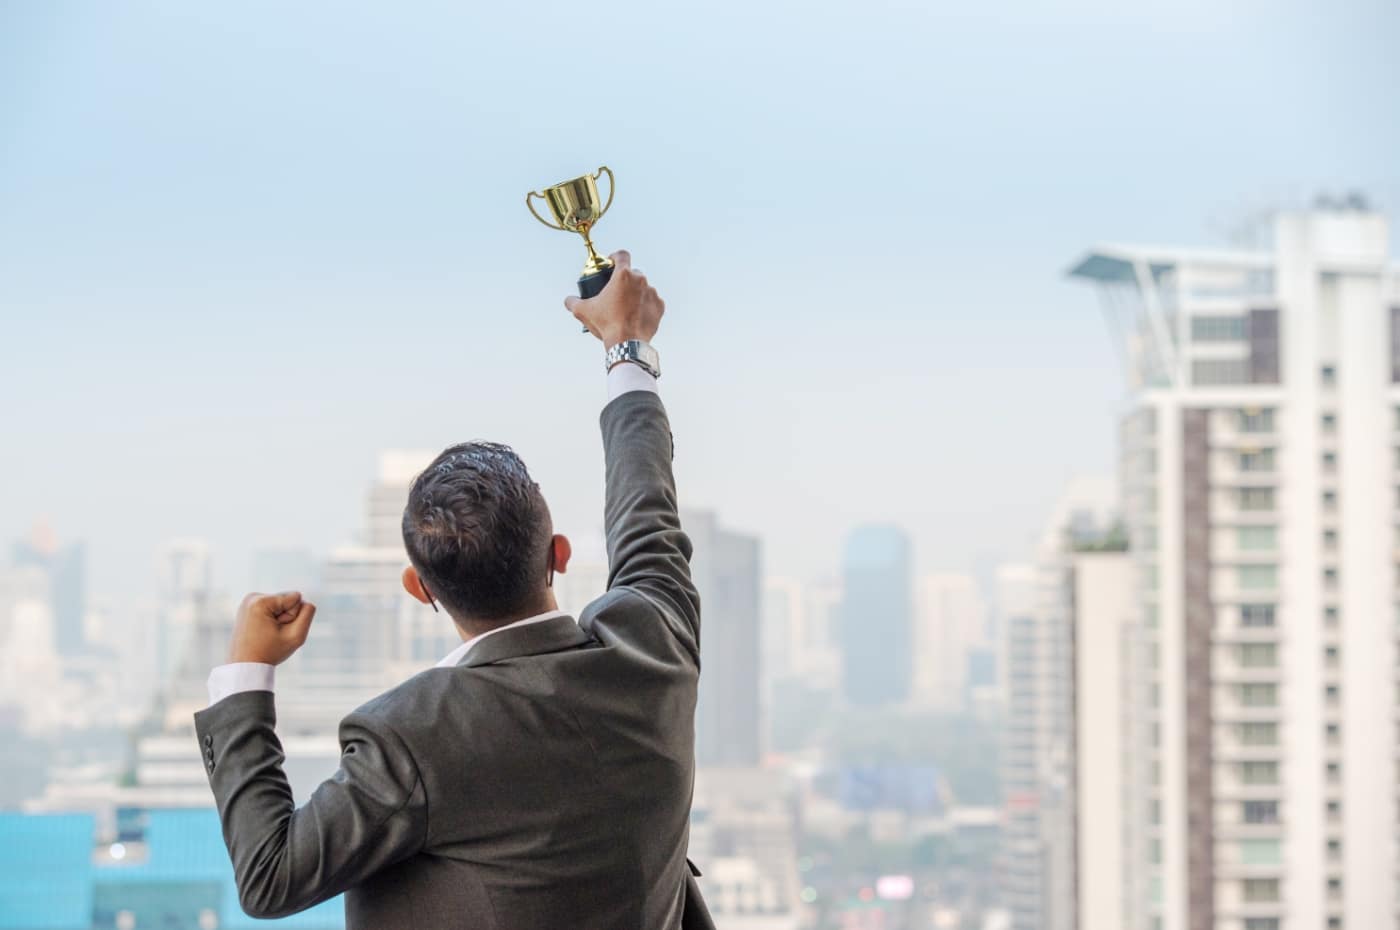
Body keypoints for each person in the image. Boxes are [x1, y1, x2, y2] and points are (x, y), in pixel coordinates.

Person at [194, 251, 714, 930]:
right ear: (557, 556)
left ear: (420, 589)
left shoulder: (414, 734)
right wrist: (627, 348)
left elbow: (270, 877)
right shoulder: (653, 645)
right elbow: (646, 508)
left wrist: (244, 674)